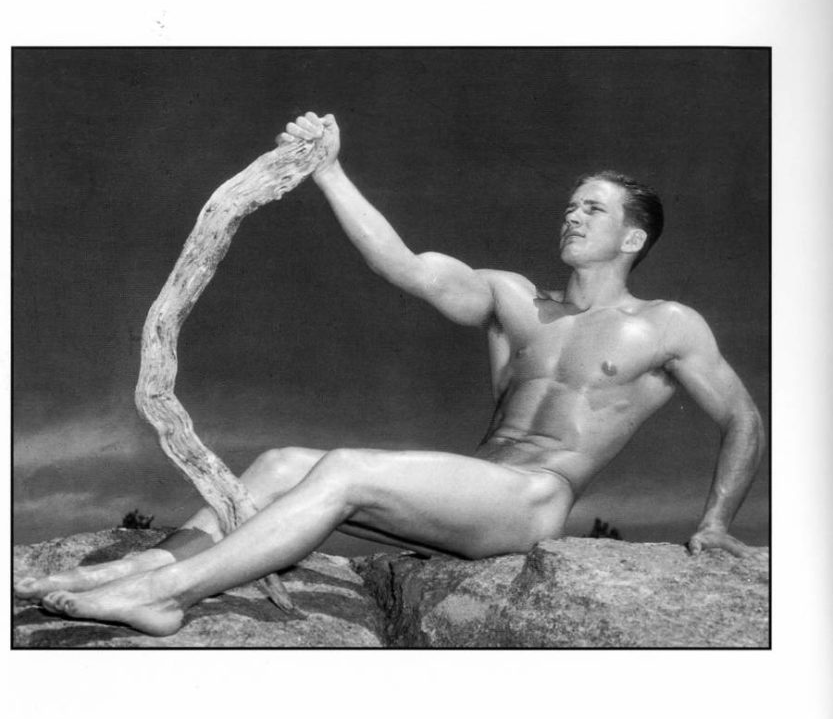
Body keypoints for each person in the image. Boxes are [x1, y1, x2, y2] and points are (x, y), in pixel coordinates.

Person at [16, 112, 765, 636]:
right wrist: (329, 171)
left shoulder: (665, 324)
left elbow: (741, 417)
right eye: (570, 205)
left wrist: (713, 524)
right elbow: (404, 265)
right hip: (475, 491)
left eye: (593, 209)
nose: (571, 216)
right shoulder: (514, 299)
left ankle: (163, 594)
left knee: (345, 468)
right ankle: (138, 567)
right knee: (278, 463)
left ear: (631, 237)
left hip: (533, 501)